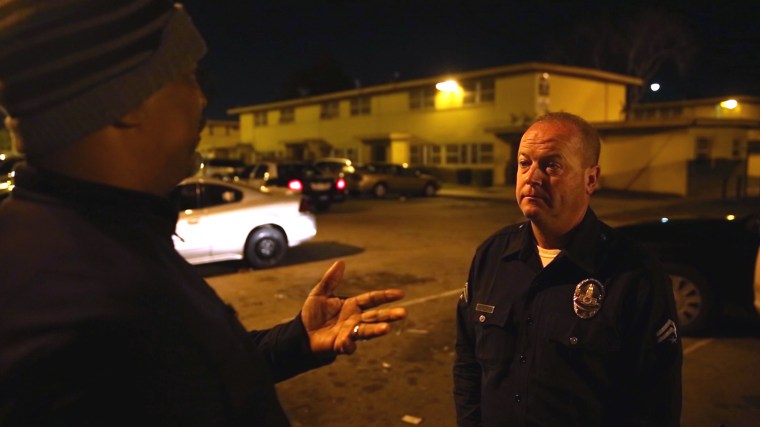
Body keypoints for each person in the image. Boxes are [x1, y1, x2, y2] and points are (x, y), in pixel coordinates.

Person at [0, 1, 406, 425]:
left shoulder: (97, 241)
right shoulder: (81, 308)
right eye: (187, 76)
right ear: (125, 102)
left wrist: (297, 341)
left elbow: (177, 381)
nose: (201, 100)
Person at [453, 112, 682, 426]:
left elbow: (655, 402)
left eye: (551, 165)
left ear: (590, 179)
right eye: (524, 163)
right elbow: (468, 361)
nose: (532, 177)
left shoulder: (634, 274)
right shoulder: (492, 255)